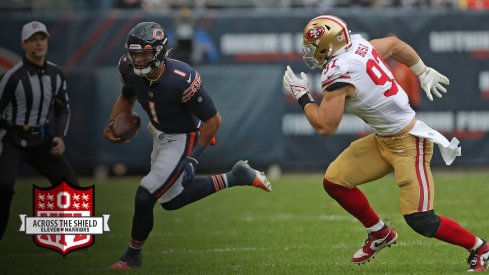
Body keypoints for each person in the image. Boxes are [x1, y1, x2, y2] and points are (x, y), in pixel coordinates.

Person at [283, 15, 488, 272]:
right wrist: (421, 69)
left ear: (329, 44)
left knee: (422, 220)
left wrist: (302, 96)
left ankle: (481, 248)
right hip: (383, 140)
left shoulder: (339, 72)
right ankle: (379, 233)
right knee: (335, 181)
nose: (311, 53)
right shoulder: (358, 45)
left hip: (409, 144)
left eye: (314, 47)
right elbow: (393, 44)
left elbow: (326, 126)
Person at [104, 22, 272, 269]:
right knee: (171, 201)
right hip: (160, 134)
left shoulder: (182, 78)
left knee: (146, 193)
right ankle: (234, 177)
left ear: (160, 53)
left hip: (183, 137)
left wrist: (193, 157)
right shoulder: (127, 68)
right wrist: (113, 123)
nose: (138, 59)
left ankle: (132, 256)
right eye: (135, 53)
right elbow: (127, 96)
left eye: (145, 54)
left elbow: (213, 121)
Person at [0, 21, 79, 240]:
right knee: (3, 187)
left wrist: (60, 137)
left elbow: (63, 110)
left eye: (42, 38)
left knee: (72, 187)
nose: (39, 43)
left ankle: (72, 239)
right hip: (13, 140)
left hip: (43, 141)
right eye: (33, 40)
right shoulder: (12, 77)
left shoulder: (55, 73)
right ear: (24, 44)